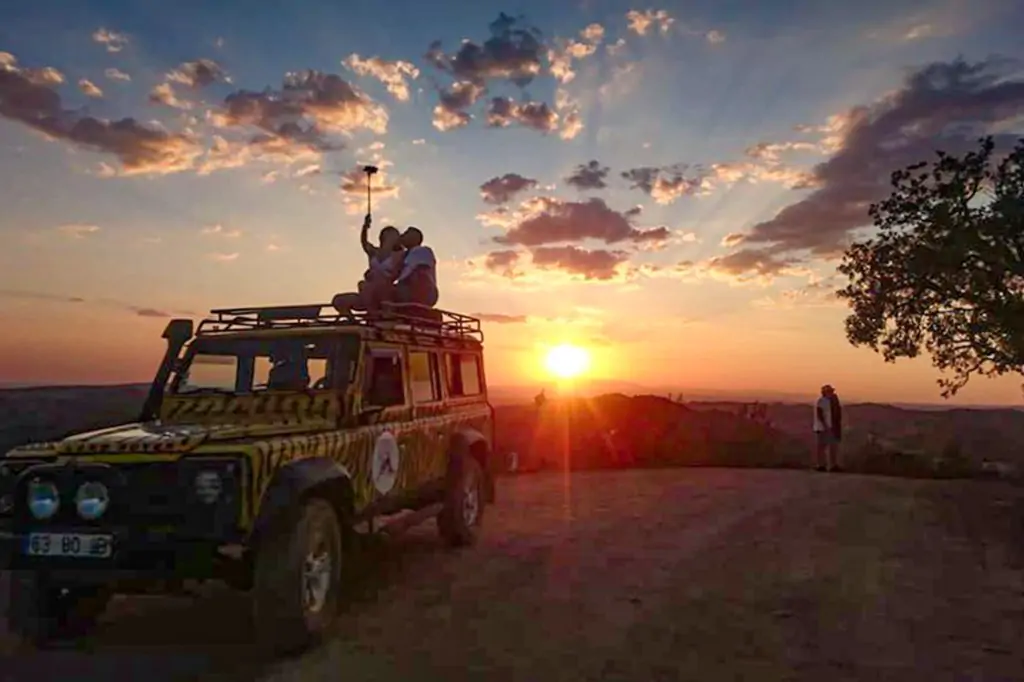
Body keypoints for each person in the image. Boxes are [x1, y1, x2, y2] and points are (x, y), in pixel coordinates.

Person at [332, 215, 404, 315]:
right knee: (338, 300)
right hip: (368, 291)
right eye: (391, 234)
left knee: (368, 286)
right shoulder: (374, 252)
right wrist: (365, 226)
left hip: (385, 292)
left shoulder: (398, 255)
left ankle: (374, 314)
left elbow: (398, 273)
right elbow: (364, 242)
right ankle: (353, 321)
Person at [390, 226, 438, 308]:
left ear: (414, 237)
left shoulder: (423, 250)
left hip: (422, 291)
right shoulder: (403, 255)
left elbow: (421, 272)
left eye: (406, 234)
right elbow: (393, 275)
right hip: (405, 289)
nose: (402, 236)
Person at [812, 384, 842, 472]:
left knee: (832, 446)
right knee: (822, 447)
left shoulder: (830, 401)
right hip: (822, 428)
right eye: (830, 392)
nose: (831, 393)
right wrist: (825, 425)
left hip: (829, 427)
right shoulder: (821, 401)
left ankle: (831, 465)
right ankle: (821, 465)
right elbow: (819, 414)